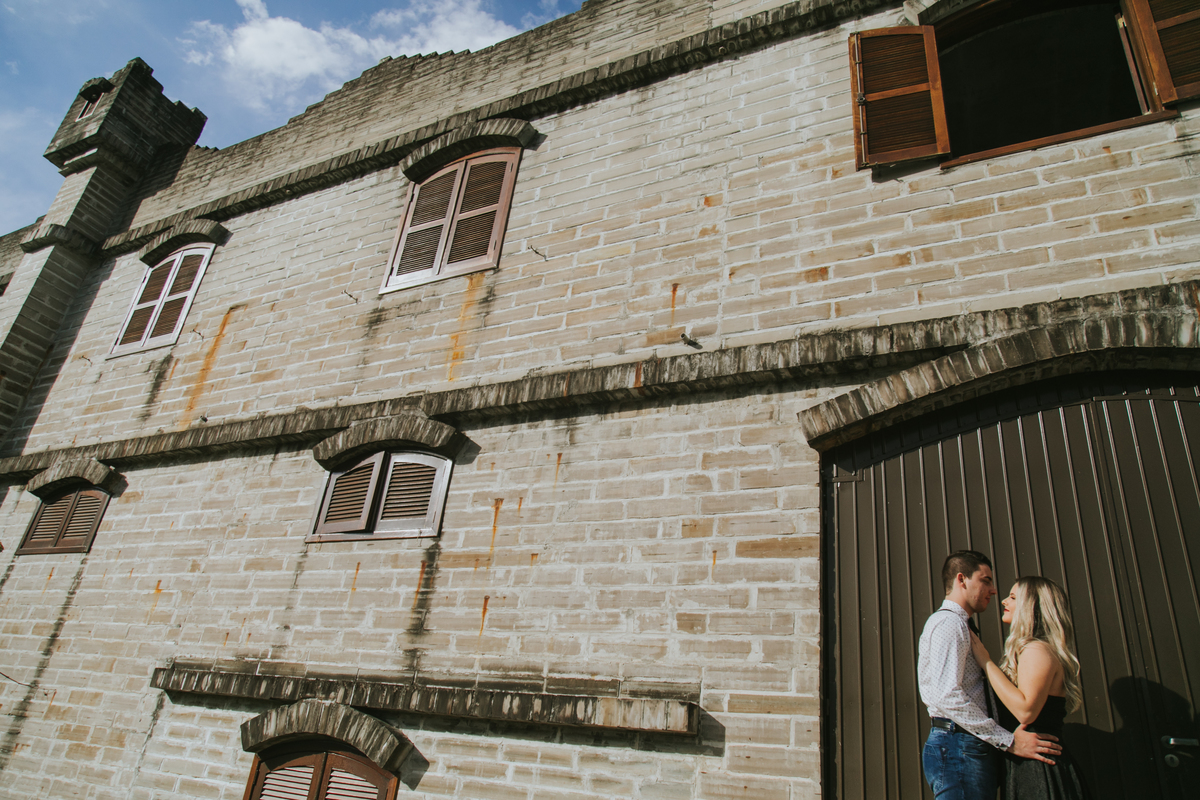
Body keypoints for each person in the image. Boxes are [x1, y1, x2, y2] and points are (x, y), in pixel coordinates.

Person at [919, 551, 1062, 800]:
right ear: (962, 580)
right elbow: (947, 695)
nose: (994, 591)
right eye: (985, 580)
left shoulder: (961, 625)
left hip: (967, 744)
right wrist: (1008, 741)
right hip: (959, 744)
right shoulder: (949, 624)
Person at [970, 577, 1090, 799]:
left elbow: (1026, 711)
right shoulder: (1035, 650)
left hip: (1040, 771)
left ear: (1031, 607)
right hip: (1031, 766)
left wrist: (986, 662)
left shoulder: (1037, 650)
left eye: (1013, 597)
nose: (1004, 601)